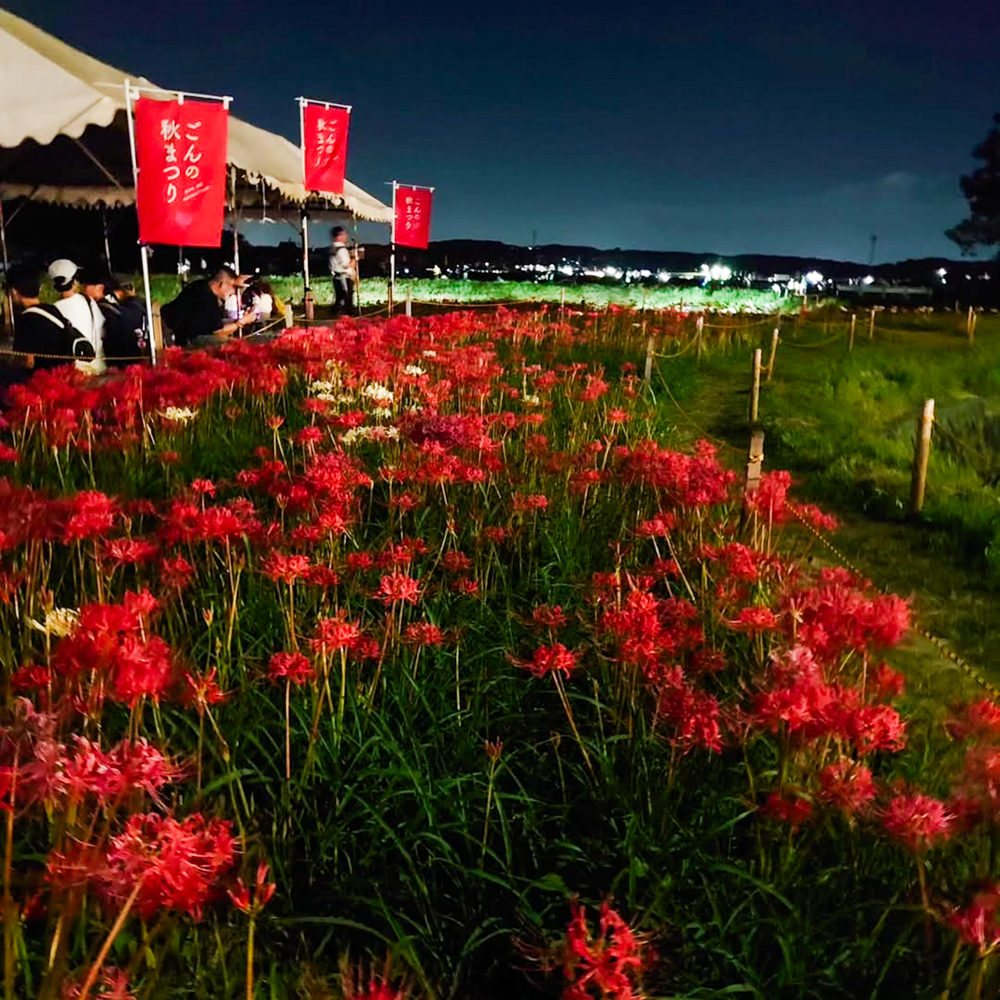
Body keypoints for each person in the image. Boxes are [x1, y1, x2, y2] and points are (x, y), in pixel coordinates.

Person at [3, 263, 95, 376]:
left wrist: (8, 362)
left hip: (43, 383)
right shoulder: (52, 310)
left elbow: (28, 362)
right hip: (64, 377)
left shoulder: (26, 319)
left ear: (14, 291)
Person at [160, 266, 255, 347]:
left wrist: (235, 280)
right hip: (182, 338)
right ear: (222, 285)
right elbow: (218, 332)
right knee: (229, 345)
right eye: (233, 287)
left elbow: (215, 324)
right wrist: (242, 322)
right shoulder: (206, 299)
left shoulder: (200, 286)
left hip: (179, 330)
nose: (234, 292)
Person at [49, 259, 105, 374]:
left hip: (73, 374)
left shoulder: (54, 310)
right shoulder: (88, 300)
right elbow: (102, 330)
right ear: (74, 282)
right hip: (98, 368)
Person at [97, 274, 152, 368]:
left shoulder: (117, 312)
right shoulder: (146, 307)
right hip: (145, 363)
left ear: (118, 292)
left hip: (125, 367)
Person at [329, 227, 356, 316]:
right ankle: (346, 315)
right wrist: (354, 260)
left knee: (339, 296)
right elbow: (346, 264)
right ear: (339, 236)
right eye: (344, 234)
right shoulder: (342, 250)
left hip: (336, 276)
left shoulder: (332, 248)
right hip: (344, 277)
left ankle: (336, 312)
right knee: (346, 296)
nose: (346, 236)